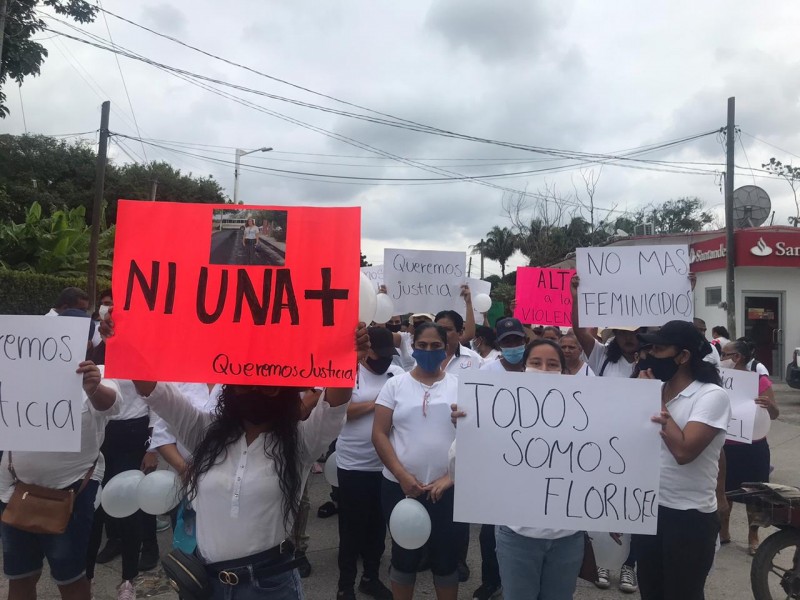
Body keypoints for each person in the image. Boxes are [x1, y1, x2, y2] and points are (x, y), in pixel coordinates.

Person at [124, 322, 370, 600]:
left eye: (267, 386)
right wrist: (126, 336)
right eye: (245, 382)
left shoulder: (301, 442)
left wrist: (347, 357)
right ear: (229, 387)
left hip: (270, 587)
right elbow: (155, 392)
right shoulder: (205, 433)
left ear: (286, 389)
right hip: (208, 584)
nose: (254, 388)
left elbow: (334, 406)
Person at [1, 311, 121, 600]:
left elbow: (112, 406)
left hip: (71, 494)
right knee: (19, 577)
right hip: (15, 491)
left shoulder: (99, 374)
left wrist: (93, 389)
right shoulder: (16, 370)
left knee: (70, 579)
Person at [454, 339, 586, 600]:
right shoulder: (498, 410)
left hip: (567, 537)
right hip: (518, 535)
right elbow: (459, 467)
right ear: (523, 368)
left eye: (552, 364)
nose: (544, 369)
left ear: (564, 371)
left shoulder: (582, 413)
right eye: (536, 363)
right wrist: (466, 430)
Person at [632, 320, 732, 600]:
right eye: (649, 348)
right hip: (650, 511)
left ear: (684, 356)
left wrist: (651, 398)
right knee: (651, 591)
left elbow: (684, 452)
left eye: (660, 349)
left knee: (682, 593)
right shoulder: (658, 389)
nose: (651, 355)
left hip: (689, 517)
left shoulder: (711, 396)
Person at [372, 322, 466, 600]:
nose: (428, 351)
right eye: (422, 345)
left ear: (445, 348)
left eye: (435, 346)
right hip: (400, 489)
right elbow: (379, 433)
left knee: (446, 560)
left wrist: (450, 479)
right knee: (404, 556)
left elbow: (476, 438)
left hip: (447, 490)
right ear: (413, 347)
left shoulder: (461, 387)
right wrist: (402, 476)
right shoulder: (395, 385)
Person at [335, 328, 402, 600]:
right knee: (351, 529)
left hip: (384, 466)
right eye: (379, 354)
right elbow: (343, 411)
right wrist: (379, 403)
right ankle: (345, 585)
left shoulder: (396, 375)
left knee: (377, 528)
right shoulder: (349, 373)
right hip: (353, 465)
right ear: (367, 352)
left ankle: (370, 578)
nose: (384, 360)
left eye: (388, 355)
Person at [470, 317, 528, 600]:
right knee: (490, 532)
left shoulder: (536, 370)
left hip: (531, 459)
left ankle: (518, 582)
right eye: (508, 342)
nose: (513, 346)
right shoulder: (487, 371)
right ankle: (490, 581)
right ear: (500, 344)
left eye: (517, 340)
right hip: (496, 459)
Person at [85, 380, 160, 599]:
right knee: (95, 507)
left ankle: (128, 579)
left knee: (129, 506)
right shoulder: (92, 354)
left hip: (133, 432)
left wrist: (152, 447)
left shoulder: (138, 354)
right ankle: (86, 578)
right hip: (99, 430)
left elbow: (155, 399)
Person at [719, 340, 779, 553]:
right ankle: (723, 531)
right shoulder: (718, 379)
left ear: (737, 357)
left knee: (755, 493)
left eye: (725, 354)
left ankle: (753, 536)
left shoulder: (759, 381)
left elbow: (775, 414)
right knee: (725, 490)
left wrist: (769, 405)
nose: (721, 358)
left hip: (754, 445)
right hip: (726, 445)